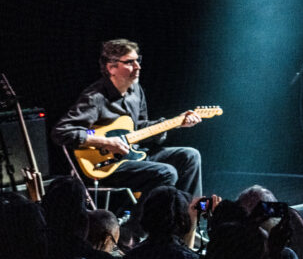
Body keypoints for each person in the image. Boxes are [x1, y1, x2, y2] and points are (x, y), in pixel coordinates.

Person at [52, 39, 203, 199]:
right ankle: (141, 223)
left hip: (134, 155)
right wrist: (107, 142)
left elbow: (140, 128)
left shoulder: (136, 91)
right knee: (166, 172)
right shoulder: (94, 98)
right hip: (107, 166)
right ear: (112, 68)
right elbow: (61, 132)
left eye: (138, 60)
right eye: (130, 62)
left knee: (190, 156)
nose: (138, 66)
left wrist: (176, 123)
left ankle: (188, 216)